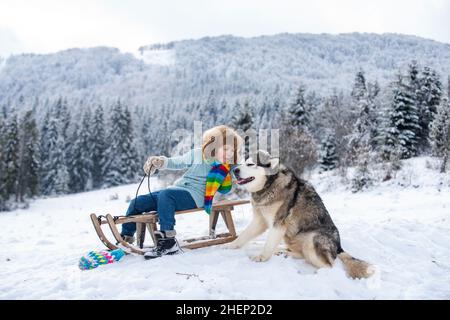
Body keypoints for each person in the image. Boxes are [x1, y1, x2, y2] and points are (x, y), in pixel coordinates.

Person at [120, 125, 244, 259]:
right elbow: (177, 162)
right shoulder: (197, 154)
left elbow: (230, 186)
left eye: (233, 150)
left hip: (196, 197)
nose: (230, 153)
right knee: (137, 202)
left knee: (166, 195)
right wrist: (160, 162)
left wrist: (234, 176)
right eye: (226, 149)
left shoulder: (227, 167)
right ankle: (125, 239)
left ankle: (168, 241)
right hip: (177, 190)